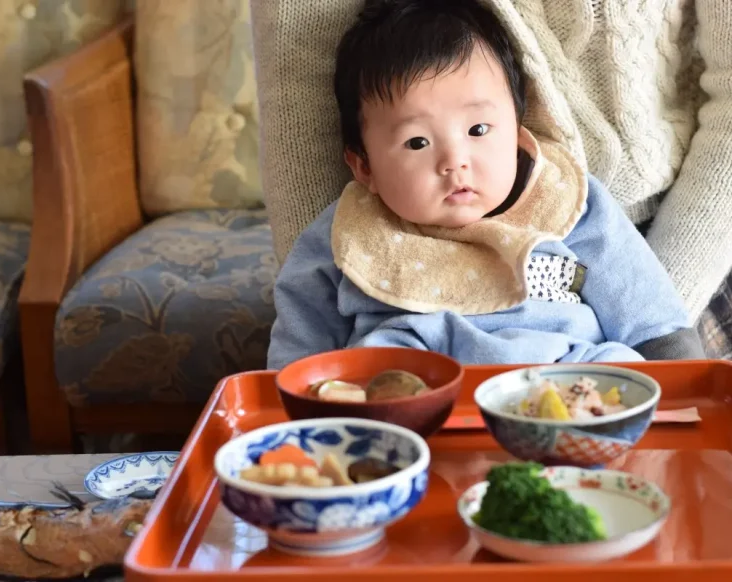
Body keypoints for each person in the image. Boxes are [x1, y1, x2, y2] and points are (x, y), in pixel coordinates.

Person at [266, 0, 705, 370]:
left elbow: (642, 304)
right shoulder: (349, 229)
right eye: (417, 142)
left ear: (518, 131)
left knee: (624, 370)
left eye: (478, 130)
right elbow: (301, 339)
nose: (455, 161)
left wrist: (678, 369)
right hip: (414, 387)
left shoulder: (562, 199)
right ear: (364, 167)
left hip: (568, 372)